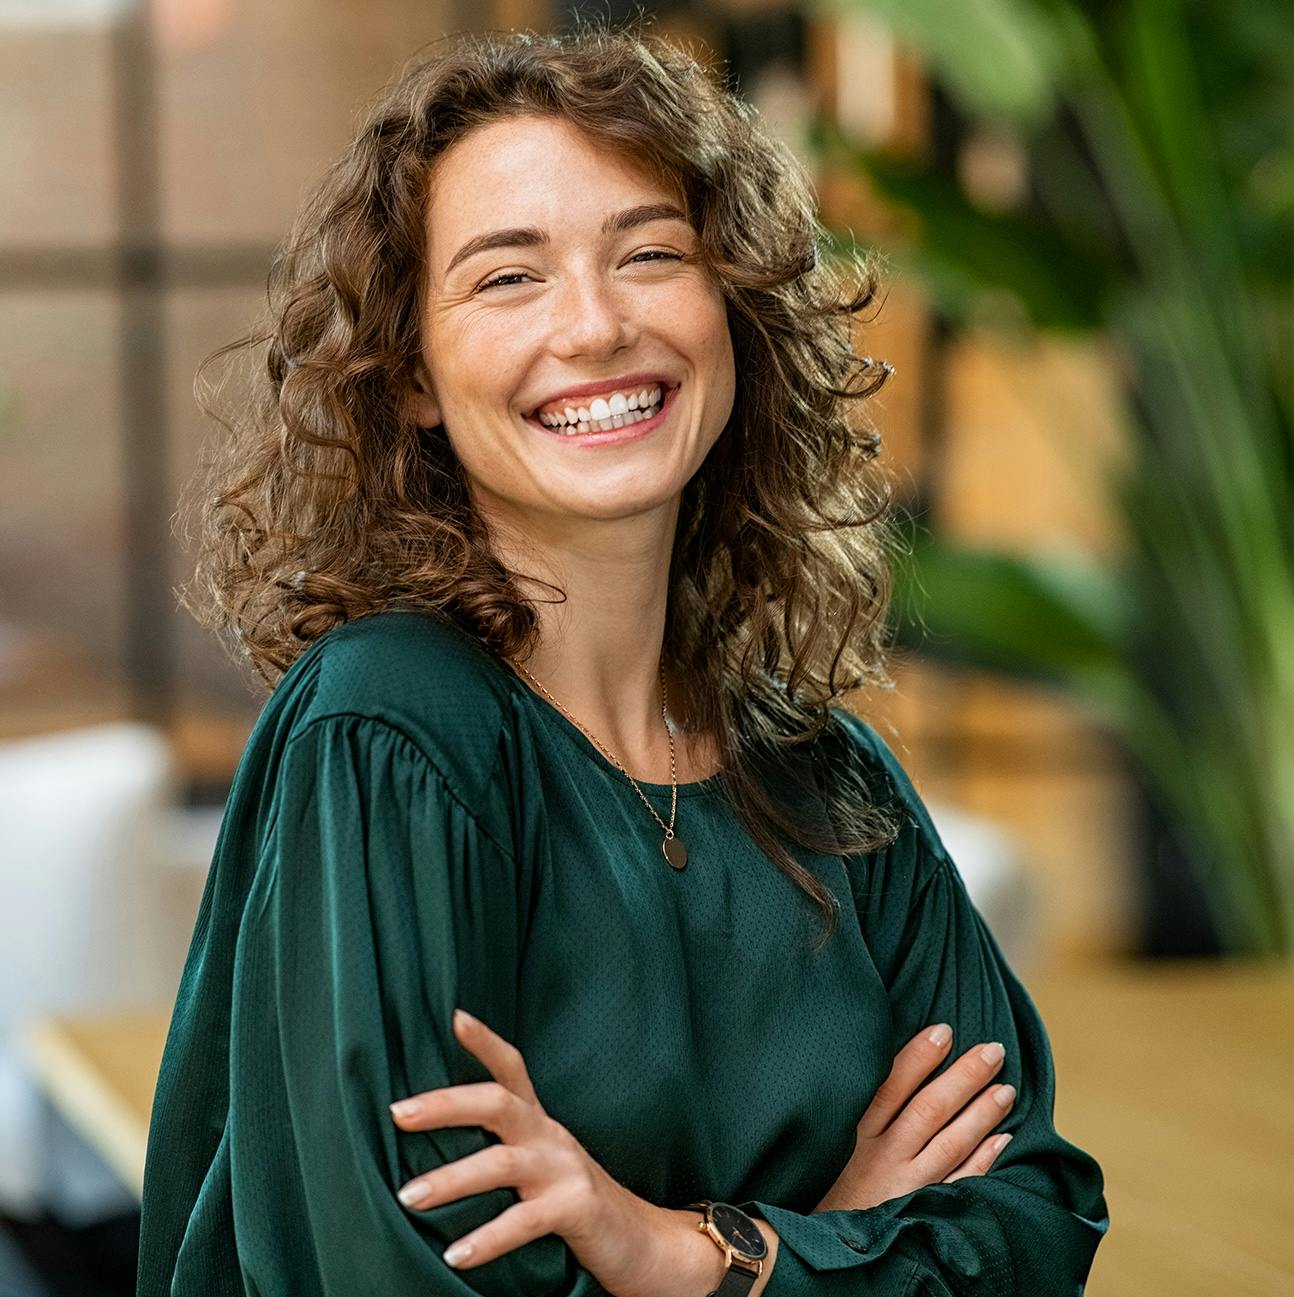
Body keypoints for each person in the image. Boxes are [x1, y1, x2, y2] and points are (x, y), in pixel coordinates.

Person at [137, 19, 1108, 1297]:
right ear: (411, 372)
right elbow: (403, 1272)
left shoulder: (830, 780)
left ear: (731, 309)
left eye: (650, 254)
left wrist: (679, 1251)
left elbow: (1031, 1224)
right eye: (507, 277)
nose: (595, 326)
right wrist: (825, 1242)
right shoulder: (391, 730)